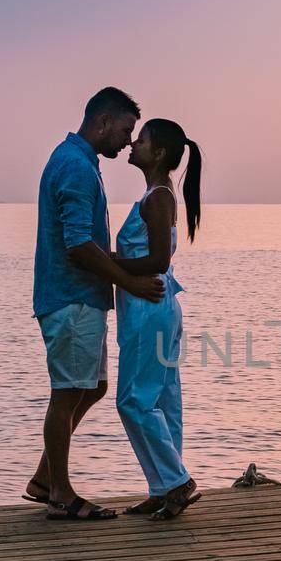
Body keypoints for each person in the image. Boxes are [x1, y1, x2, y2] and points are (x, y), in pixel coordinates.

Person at [26, 87, 165, 521]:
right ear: (103, 121)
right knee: (66, 394)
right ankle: (60, 495)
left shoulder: (80, 162)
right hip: (70, 299)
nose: (127, 141)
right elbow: (79, 245)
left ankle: (45, 478)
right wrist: (130, 283)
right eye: (125, 130)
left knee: (93, 387)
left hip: (81, 298)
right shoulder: (75, 167)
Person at [110, 118, 202, 520]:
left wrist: (108, 262)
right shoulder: (156, 193)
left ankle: (177, 482)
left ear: (159, 153)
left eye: (142, 139)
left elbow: (160, 261)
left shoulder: (159, 197)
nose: (133, 143)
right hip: (155, 308)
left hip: (150, 309)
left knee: (133, 399)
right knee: (163, 399)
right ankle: (163, 487)